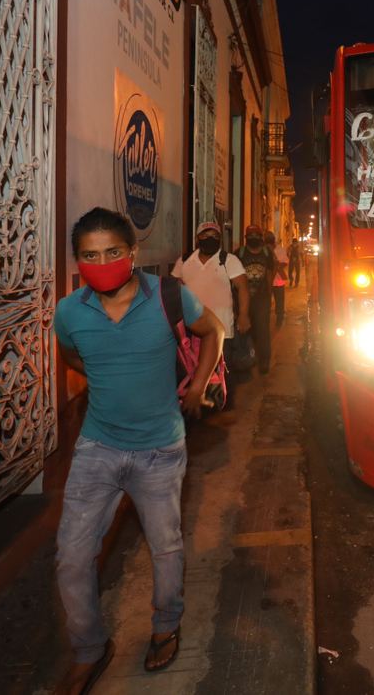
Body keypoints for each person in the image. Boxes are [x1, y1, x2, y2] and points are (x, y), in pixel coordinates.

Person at [53, 207, 224, 693]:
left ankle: (166, 625)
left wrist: (198, 384)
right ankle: (89, 649)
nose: (101, 261)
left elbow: (213, 331)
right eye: (89, 255)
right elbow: (72, 354)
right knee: (71, 556)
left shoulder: (170, 297)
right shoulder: (69, 312)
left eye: (111, 252)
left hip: (160, 451)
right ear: (78, 261)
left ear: (132, 254)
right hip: (97, 449)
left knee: (166, 548)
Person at [171, 221, 251, 375]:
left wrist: (244, 315)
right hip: (191, 329)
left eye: (214, 236)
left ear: (220, 239)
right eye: (205, 235)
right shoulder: (185, 260)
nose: (210, 238)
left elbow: (243, 288)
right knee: (192, 373)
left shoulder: (228, 260)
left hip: (221, 330)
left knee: (221, 376)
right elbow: (172, 287)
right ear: (197, 239)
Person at [237, 224, 277, 375]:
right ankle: (247, 359)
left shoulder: (267, 253)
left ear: (261, 238)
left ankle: (264, 361)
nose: (253, 238)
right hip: (243, 299)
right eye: (250, 235)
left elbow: (270, 271)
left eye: (256, 235)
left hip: (261, 300)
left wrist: (269, 292)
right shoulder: (239, 253)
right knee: (245, 330)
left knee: (262, 331)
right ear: (246, 237)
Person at [269, 232, 288, 328]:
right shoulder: (264, 250)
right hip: (268, 281)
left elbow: (285, 262)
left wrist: (277, 267)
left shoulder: (280, 250)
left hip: (278, 280)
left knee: (279, 302)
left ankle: (279, 319)